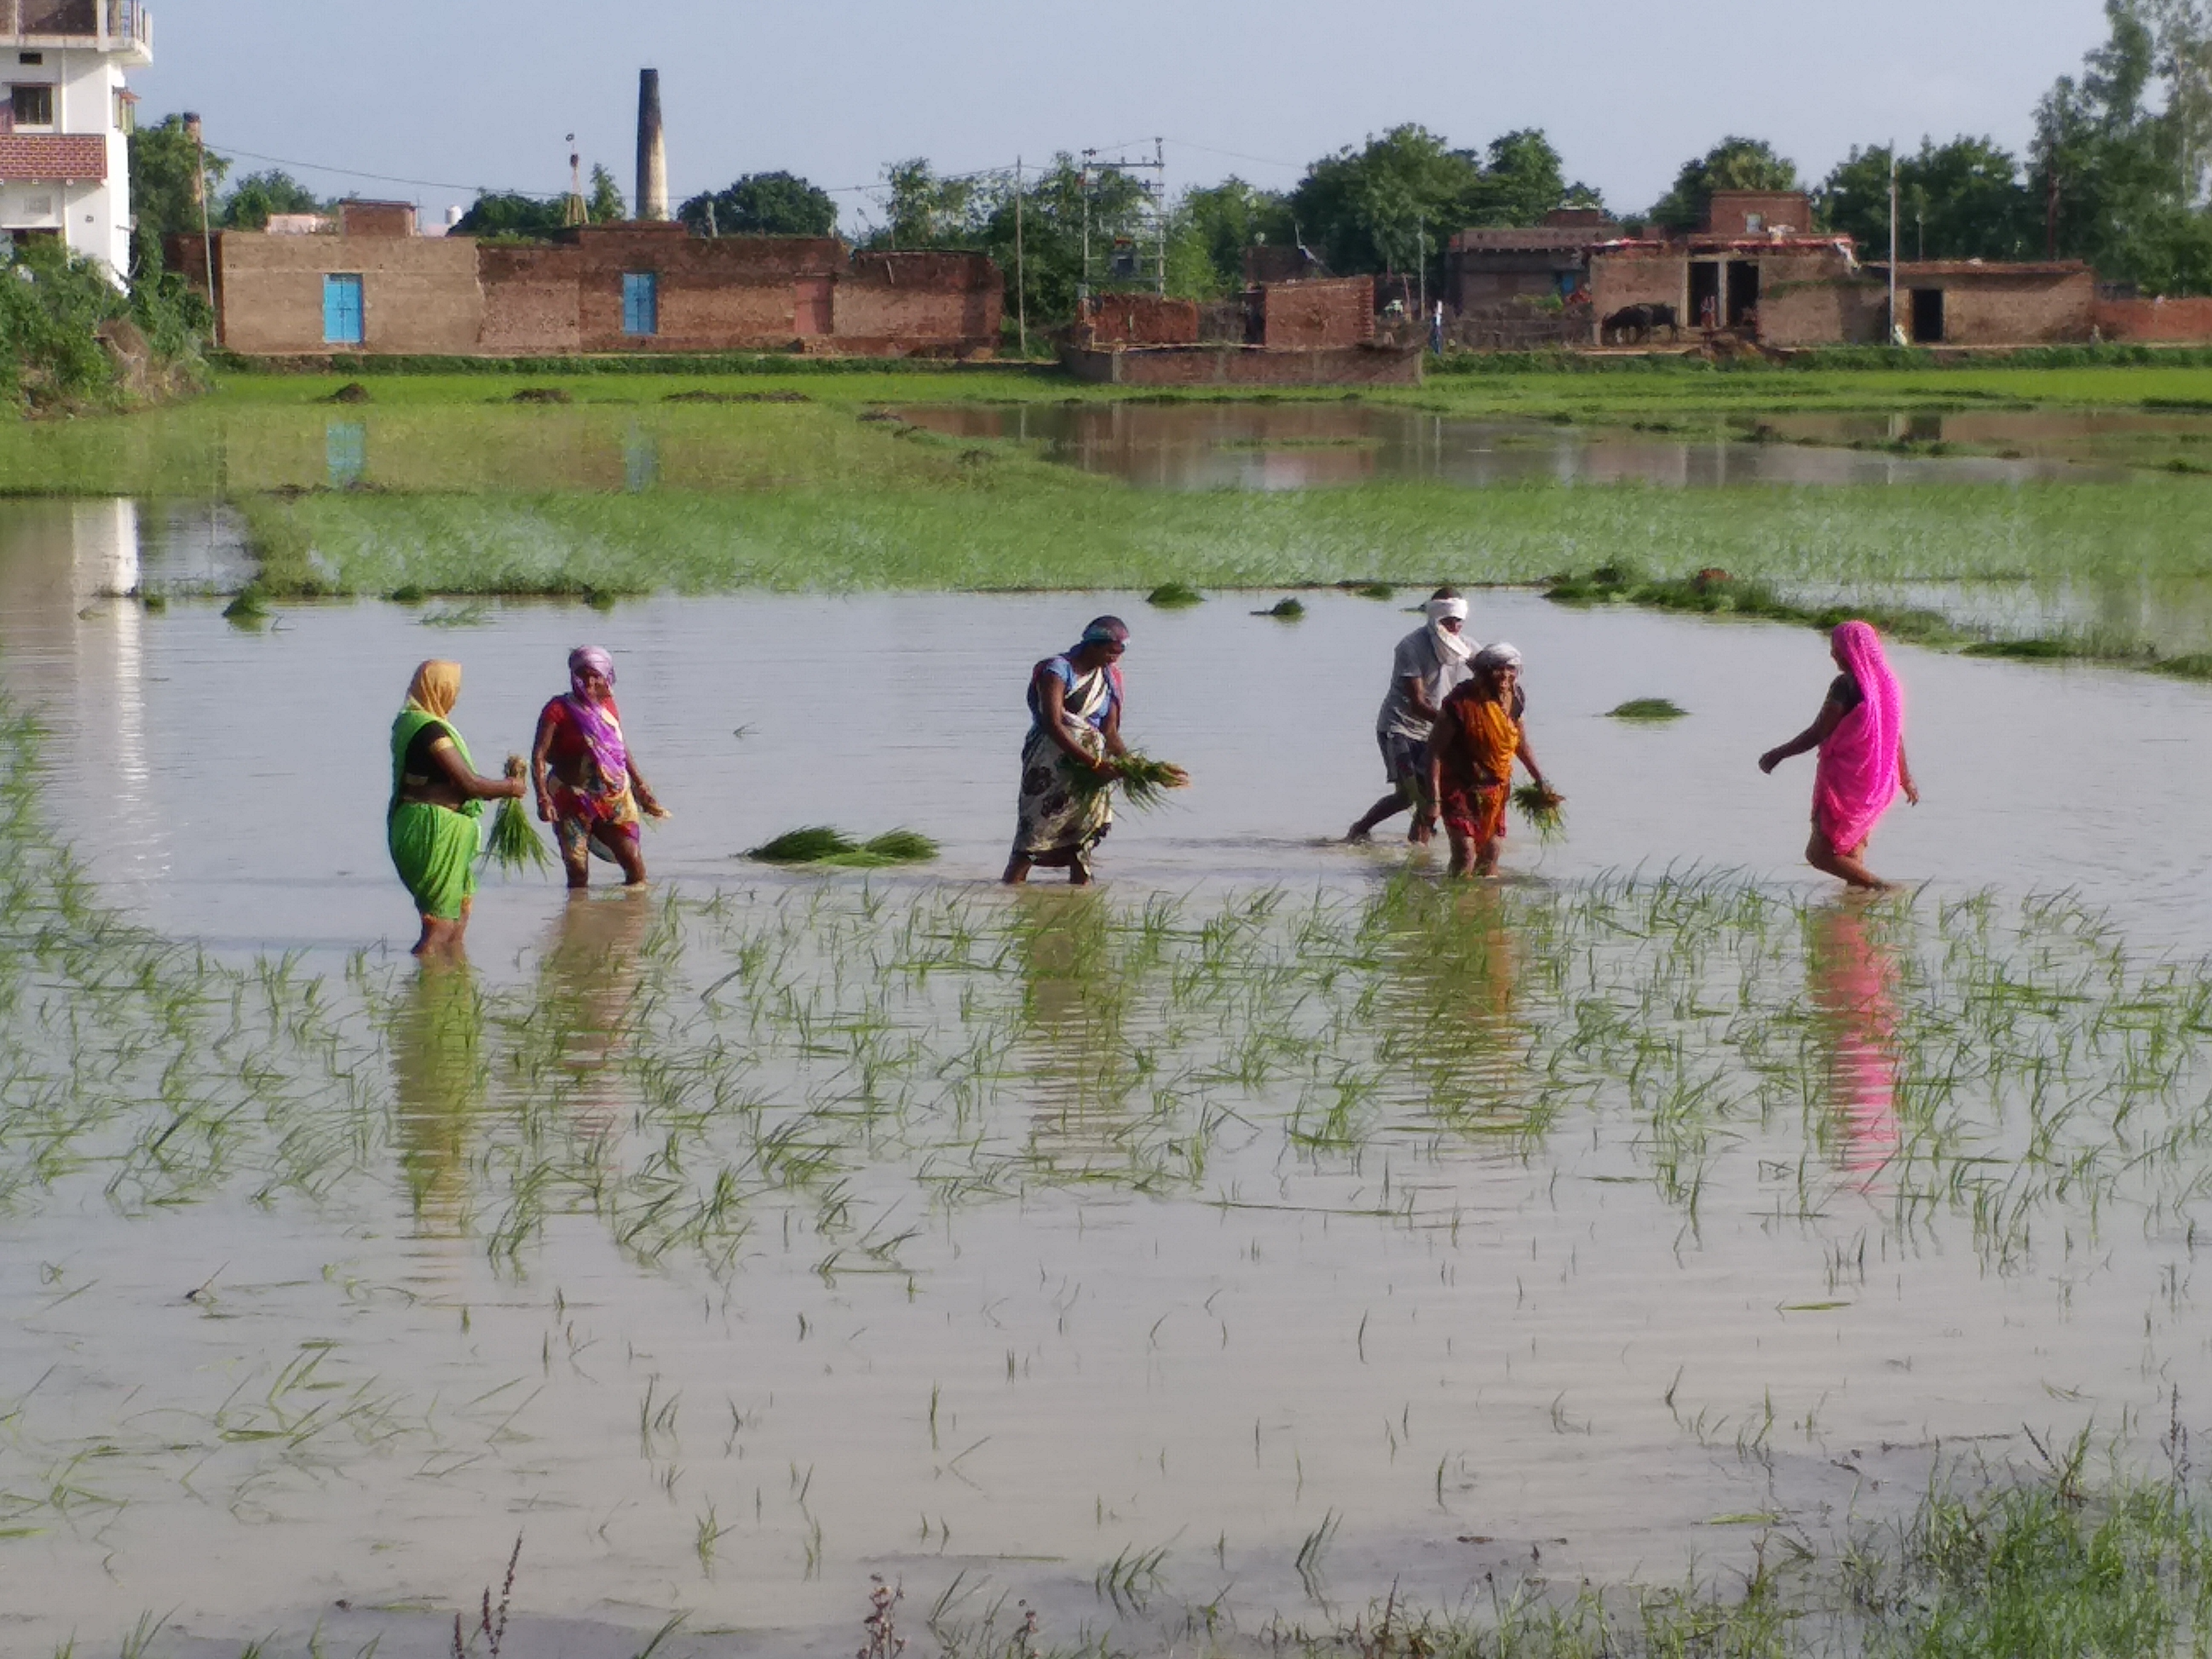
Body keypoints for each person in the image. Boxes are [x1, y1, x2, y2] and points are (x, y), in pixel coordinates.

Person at [1757, 620, 1920, 890]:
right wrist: (1905, 779)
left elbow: (1820, 731)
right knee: (1851, 857)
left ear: (1853, 650)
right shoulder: (1887, 687)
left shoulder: (1846, 687)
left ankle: (1884, 890)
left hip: (1846, 784)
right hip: (1877, 783)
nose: (1833, 654)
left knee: (1820, 853)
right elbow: (1895, 737)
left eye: (1837, 648)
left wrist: (1778, 754)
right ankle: (1850, 922)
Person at [388, 659, 526, 959]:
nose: (456, 695)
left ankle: (453, 990)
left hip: (438, 829)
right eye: (454, 689)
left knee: (457, 923)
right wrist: (511, 788)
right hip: (432, 832)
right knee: (440, 927)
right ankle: (423, 992)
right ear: (441, 688)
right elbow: (469, 784)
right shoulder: (429, 731)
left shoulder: (410, 723)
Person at [1003, 616, 1130, 885]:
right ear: (1092, 646)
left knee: (1081, 843)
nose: (1113, 660)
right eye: (1109, 652)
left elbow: (1110, 734)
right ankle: (1010, 892)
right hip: (1049, 763)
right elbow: (1053, 723)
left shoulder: (1111, 678)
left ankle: (1079, 902)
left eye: (1118, 655)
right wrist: (1093, 764)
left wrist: (1131, 766)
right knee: (1032, 837)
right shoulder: (1059, 671)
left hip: (1090, 767)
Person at [532, 646, 668, 890]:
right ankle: (577, 919)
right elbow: (539, 755)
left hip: (613, 798)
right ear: (573, 675)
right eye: (582, 675)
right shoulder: (558, 710)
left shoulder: (609, 706)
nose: (589, 682)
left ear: (607, 677)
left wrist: (641, 787)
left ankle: (631, 919)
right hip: (572, 796)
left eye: (596, 675)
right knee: (577, 872)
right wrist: (543, 798)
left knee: (634, 863)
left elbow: (620, 748)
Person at [1347, 589, 1474, 843]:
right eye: (1448, 621)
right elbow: (1416, 703)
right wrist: (1455, 725)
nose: (1454, 627)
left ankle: (1419, 850)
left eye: (1458, 621)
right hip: (1400, 727)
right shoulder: (1411, 647)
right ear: (1434, 619)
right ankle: (1359, 830)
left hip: (1434, 730)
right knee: (1408, 795)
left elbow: (1488, 671)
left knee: (1433, 792)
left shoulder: (1465, 647)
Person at [1427, 642, 1553, 878]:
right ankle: (1456, 904)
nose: (1505, 675)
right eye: (1497, 669)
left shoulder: (1515, 698)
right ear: (1482, 672)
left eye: (1511, 669)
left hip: (1495, 788)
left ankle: (1487, 908)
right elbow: (1433, 751)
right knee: (1465, 853)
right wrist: (1433, 799)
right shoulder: (1460, 703)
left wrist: (1540, 779)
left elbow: (1521, 744)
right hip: (1460, 786)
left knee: (1491, 852)